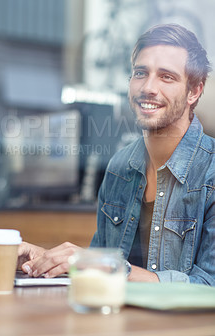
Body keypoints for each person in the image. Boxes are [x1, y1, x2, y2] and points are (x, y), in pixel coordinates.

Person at [18, 24, 215, 285]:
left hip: (185, 327)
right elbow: (99, 267)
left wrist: (105, 266)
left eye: (166, 77)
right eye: (140, 73)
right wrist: (48, 260)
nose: (148, 87)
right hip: (118, 320)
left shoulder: (210, 171)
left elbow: (208, 286)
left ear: (195, 91)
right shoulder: (119, 167)